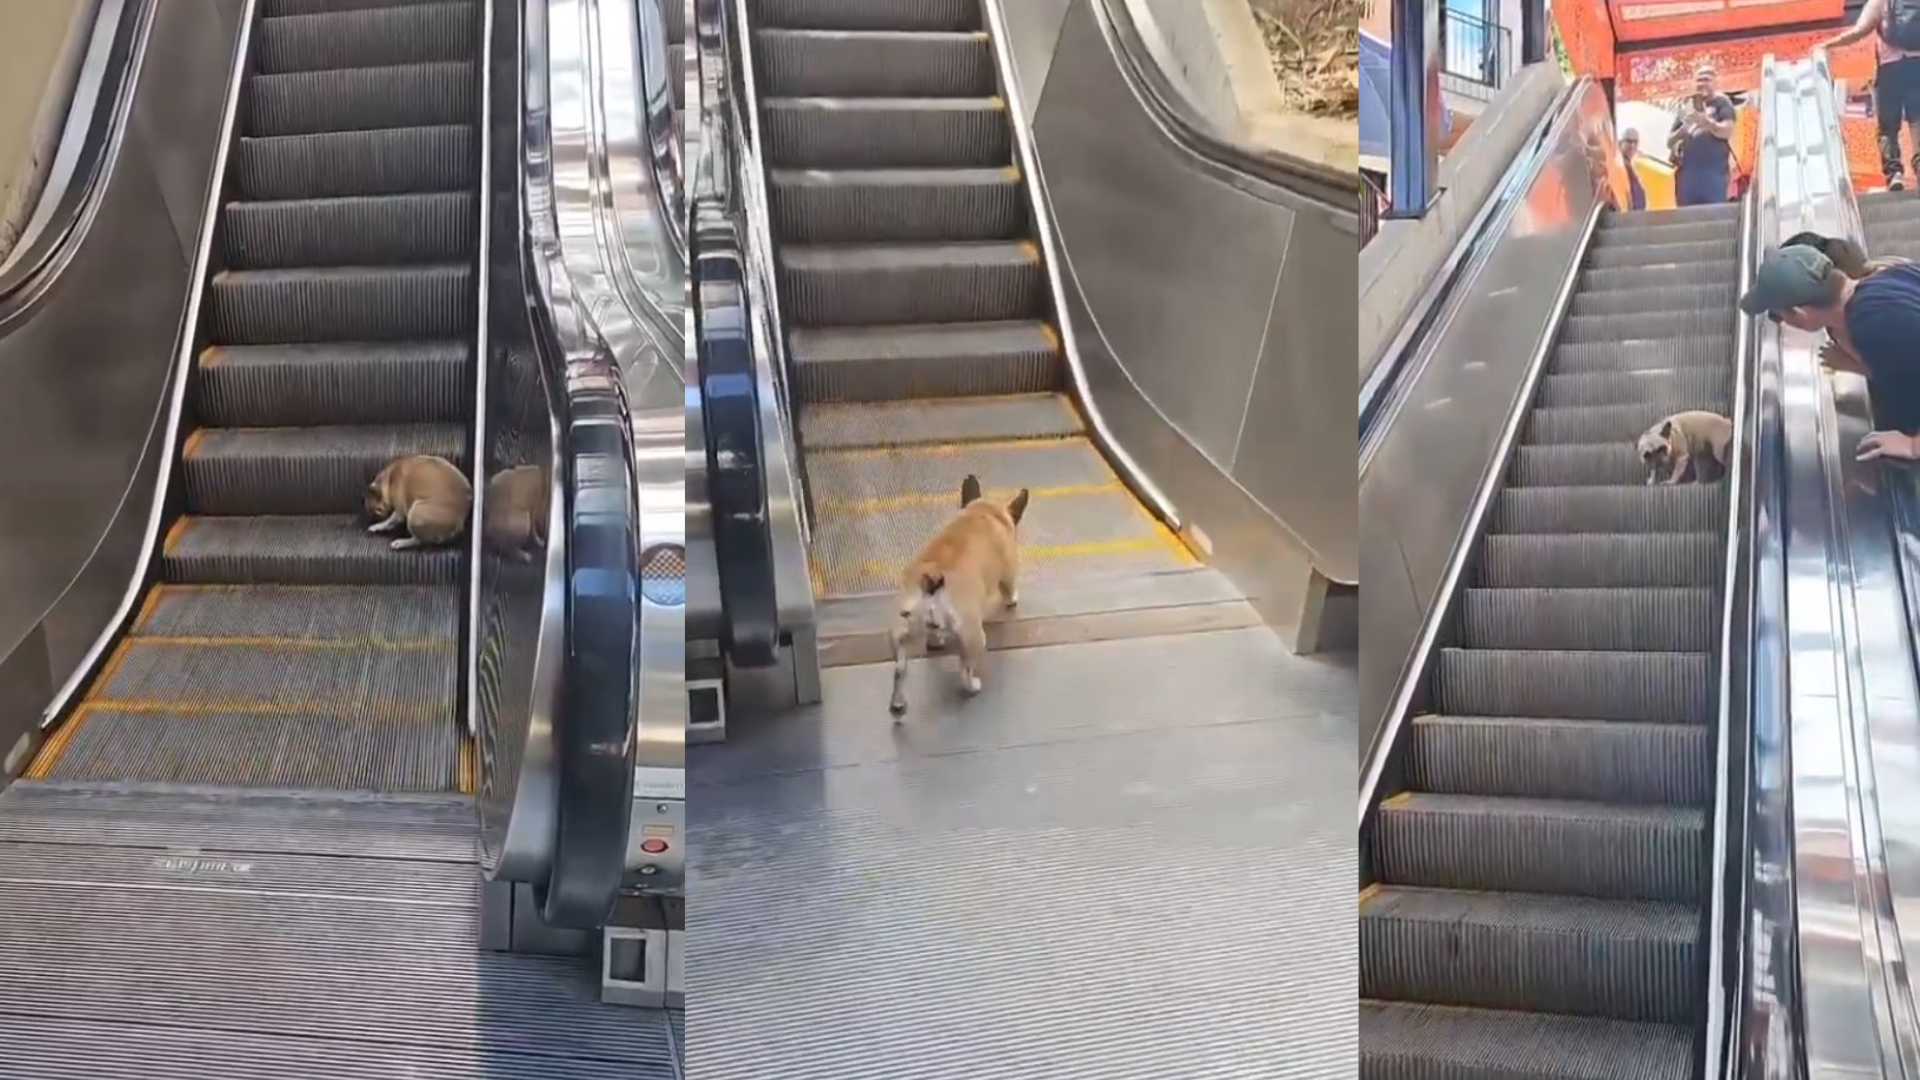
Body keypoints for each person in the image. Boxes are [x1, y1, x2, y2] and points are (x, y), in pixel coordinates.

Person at [1741, 243, 1920, 457]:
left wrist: (1913, 446)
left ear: (1798, 313)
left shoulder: (1870, 324)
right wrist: (1859, 366)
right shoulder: (1890, 277)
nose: (1783, 323)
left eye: (1779, 315)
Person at [1818, 0, 1920, 191]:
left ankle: (1894, 173)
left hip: (1890, 69)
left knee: (1887, 127)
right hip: (1917, 68)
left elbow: (1859, 30)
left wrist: (1828, 45)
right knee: (1918, 121)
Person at [1668, 66, 1737, 206]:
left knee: (1714, 212)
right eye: (1699, 80)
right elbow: (1669, 142)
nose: (1702, 83)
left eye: (1706, 79)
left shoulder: (1722, 103)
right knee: (1687, 216)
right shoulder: (1686, 106)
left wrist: (1707, 123)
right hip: (1687, 176)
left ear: (1715, 83)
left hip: (1714, 174)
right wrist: (1684, 129)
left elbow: (1728, 131)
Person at [1621, 127, 1648, 210]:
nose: (1632, 145)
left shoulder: (1634, 162)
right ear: (1621, 142)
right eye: (1629, 141)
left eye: (1635, 142)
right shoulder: (1620, 164)